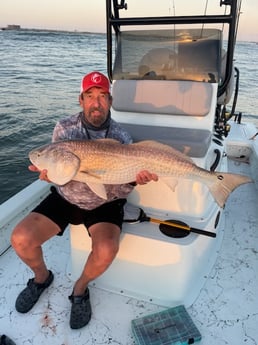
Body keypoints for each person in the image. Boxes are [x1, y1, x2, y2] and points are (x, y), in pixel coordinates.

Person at [11, 71, 158, 330]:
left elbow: (121, 191)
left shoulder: (122, 137)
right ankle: (41, 278)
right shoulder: (65, 128)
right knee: (20, 239)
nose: (96, 103)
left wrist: (135, 180)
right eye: (90, 96)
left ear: (110, 101)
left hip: (105, 201)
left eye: (102, 96)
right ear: (81, 100)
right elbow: (61, 174)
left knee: (106, 250)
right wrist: (51, 175)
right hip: (67, 196)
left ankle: (79, 289)